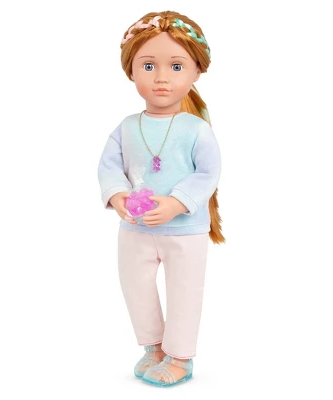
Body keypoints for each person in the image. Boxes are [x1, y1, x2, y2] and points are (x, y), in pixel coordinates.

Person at [97, 10, 224, 387]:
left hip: (185, 230)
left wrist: (177, 202)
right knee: (134, 285)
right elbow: (109, 166)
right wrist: (118, 195)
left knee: (185, 291)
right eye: (148, 65)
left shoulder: (196, 129)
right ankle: (153, 346)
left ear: (196, 71)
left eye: (176, 66)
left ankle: (180, 356)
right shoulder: (126, 127)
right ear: (131, 70)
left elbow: (208, 173)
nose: (162, 77)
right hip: (135, 228)